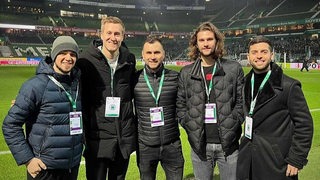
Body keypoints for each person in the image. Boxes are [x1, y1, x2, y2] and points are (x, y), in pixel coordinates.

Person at [2, 36, 82, 180]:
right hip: (44, 167)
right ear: (53, 55)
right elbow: (10, 125)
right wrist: (28, 159)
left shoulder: (78, 84)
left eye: (72, 54)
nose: (68, 58)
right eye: (63, 53)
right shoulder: (35, 85)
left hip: (71, 166)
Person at [237, 35, 313, 180]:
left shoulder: (288, 86)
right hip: (248, 160)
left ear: (272, 55)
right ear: (248, 56)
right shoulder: (244, 83)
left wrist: (296, 159)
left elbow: (304, 125)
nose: (259, 56)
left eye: (264, 52)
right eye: (254, 52)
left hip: (276, 163)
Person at [176, 22, 244, 180]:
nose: (206, 43)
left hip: (228, 146)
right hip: (200, 146)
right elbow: (180, 105)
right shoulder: (186, 72)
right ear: (196, 44)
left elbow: (241, 102)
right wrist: (188, 123)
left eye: (209, 39)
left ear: (217, 41)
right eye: (201, 40)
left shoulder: (233, 68)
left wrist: (233, 124)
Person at [76, 16, 136, 180]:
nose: (113, 38)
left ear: (123, 36)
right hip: (98, 140)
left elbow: (132, 91)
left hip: (122, 139)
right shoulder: (85, 60)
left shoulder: (129, 60)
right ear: (101, 34)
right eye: (109, 33)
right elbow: (72, 89)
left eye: (117, 34)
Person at [134, 36, 184, 180]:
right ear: (143, 55)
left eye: (156, 52)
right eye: (148, 53)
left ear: (163, 54)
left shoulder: (176, 77)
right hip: (145, 147)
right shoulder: (134, 79)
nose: (153, 57)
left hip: (172, 145)